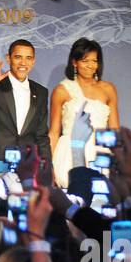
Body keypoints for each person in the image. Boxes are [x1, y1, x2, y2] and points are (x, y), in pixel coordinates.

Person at [49, 37, 119, 187]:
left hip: (100, 153)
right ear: (74, 62)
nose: (90, 66)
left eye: (94, 61)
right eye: (85, 61)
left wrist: (119, 161)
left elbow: (114, 131)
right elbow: (54, 133)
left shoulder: (108, 89)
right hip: (69, 153)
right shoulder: (62, 90)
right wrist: (50, 166)